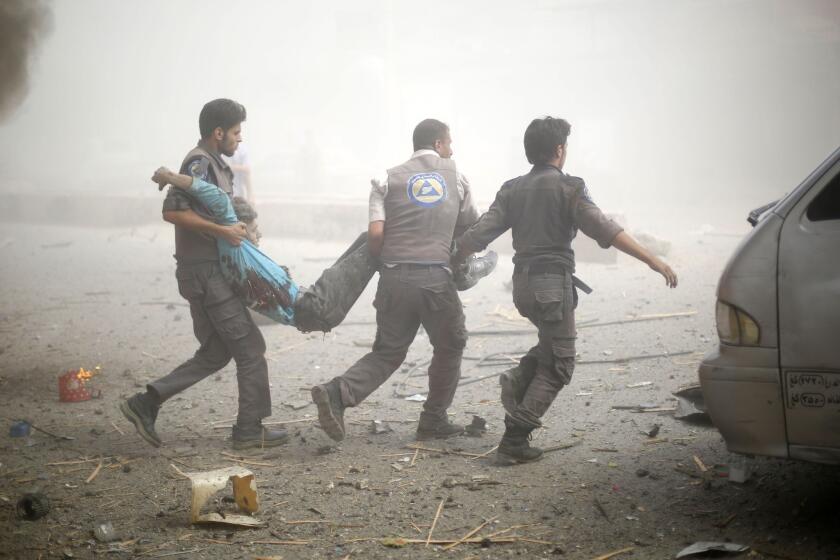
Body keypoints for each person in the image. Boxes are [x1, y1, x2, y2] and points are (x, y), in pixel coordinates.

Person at [453, 116, 678, 466]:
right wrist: (653, 260)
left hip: (523, 285)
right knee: (560, 365)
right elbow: (605, 229)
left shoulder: (512, 188)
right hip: (552, 287)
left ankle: (519, 379)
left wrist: (453, 259)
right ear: (559, 150)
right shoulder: (569, 188)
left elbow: (478, 235)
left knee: (550, 347)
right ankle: (514, 438)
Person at [120, 99, 288, 450]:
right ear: (218, 132)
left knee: (214, 353)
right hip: (206, 274)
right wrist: (222, 232)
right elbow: (173, 212)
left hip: (205, 273)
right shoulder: (198, 162)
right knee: (250, 347)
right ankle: (248, 430)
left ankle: (145, 403)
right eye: (237, 132)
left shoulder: (216, 165)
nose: (240, 140)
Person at [310, 119, 481, 442]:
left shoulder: (385, 180)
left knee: (388, 351)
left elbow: (375, 236)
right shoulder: (457, 178)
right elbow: (470, 228)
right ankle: (433, 419)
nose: (452, 150)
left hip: (393, 280)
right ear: (440, 144)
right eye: (450, 143)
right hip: (435, 282)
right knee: (450, 344)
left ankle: (338, 392)